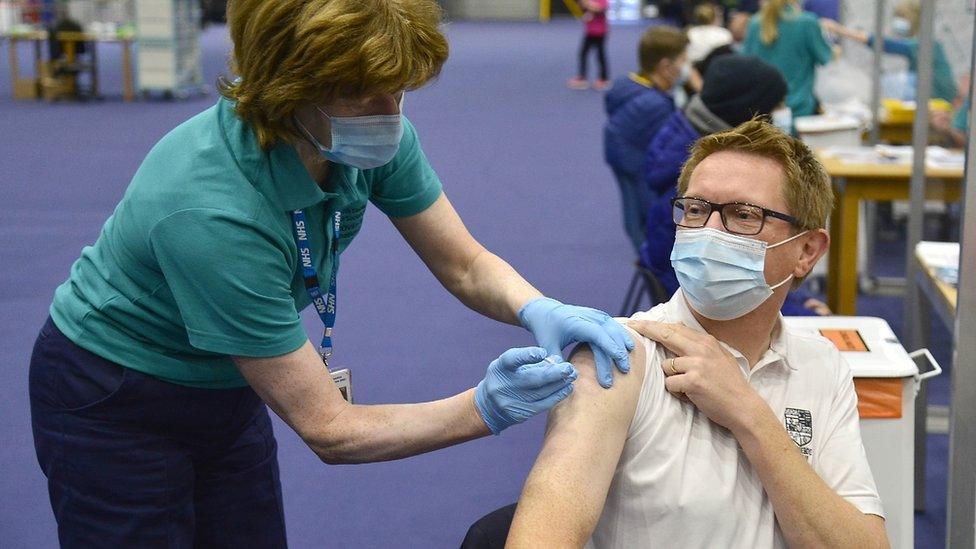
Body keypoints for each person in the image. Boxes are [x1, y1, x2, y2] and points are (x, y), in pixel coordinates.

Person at [28, 1, 635, 546]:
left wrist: (536, 306)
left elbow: (464, 262)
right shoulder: (209, 210)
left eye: (397, 90)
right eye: (362, 94)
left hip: (228, 380)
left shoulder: (361, 137)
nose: (388, 113)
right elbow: (332, 430)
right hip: (115, 393)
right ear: (288, 88)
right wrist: (485, 408)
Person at [506, 120, 888, 547]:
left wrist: (751, 417)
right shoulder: (620, 355)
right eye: (694, 209)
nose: (708, 231)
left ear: (806, 251)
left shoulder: (821, 365)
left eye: (744, 216)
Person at [641, 54, 830, 316]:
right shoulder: (697, 182)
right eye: (775, 106)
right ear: (750, 111)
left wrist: (795, 301)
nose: (782, 115)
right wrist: (800, 314)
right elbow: (714, 290)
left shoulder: (685, 146)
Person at [604, 25, 689, 252]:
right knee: (645, 222)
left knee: (635, 215)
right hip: (639, 170)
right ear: (666, 66)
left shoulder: (628, 86)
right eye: (683, 60)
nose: (686, 67)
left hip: (626, 162)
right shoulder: (657, 106)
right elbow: (666, 154)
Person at [821, 1, 957, 103]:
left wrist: (839, 30)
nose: (899, 23)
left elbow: (883, 44)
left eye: (903, 18)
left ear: (914, 19)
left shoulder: (926, 45)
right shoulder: (922, 44)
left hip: (939, 100)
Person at [743, 0, 834, 118]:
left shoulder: (754, 23)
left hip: (763, 112)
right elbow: (825, 57)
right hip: (800, 109)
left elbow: (746, 64)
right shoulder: (807, 22)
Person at [568, 0, 611, 91]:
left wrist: (589, 5)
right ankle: (582, 77)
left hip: (600, 32)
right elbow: (583, 7)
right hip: (590, 31)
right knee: (583, 53)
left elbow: (600, 9)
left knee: (600, 55)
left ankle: (604, 78)